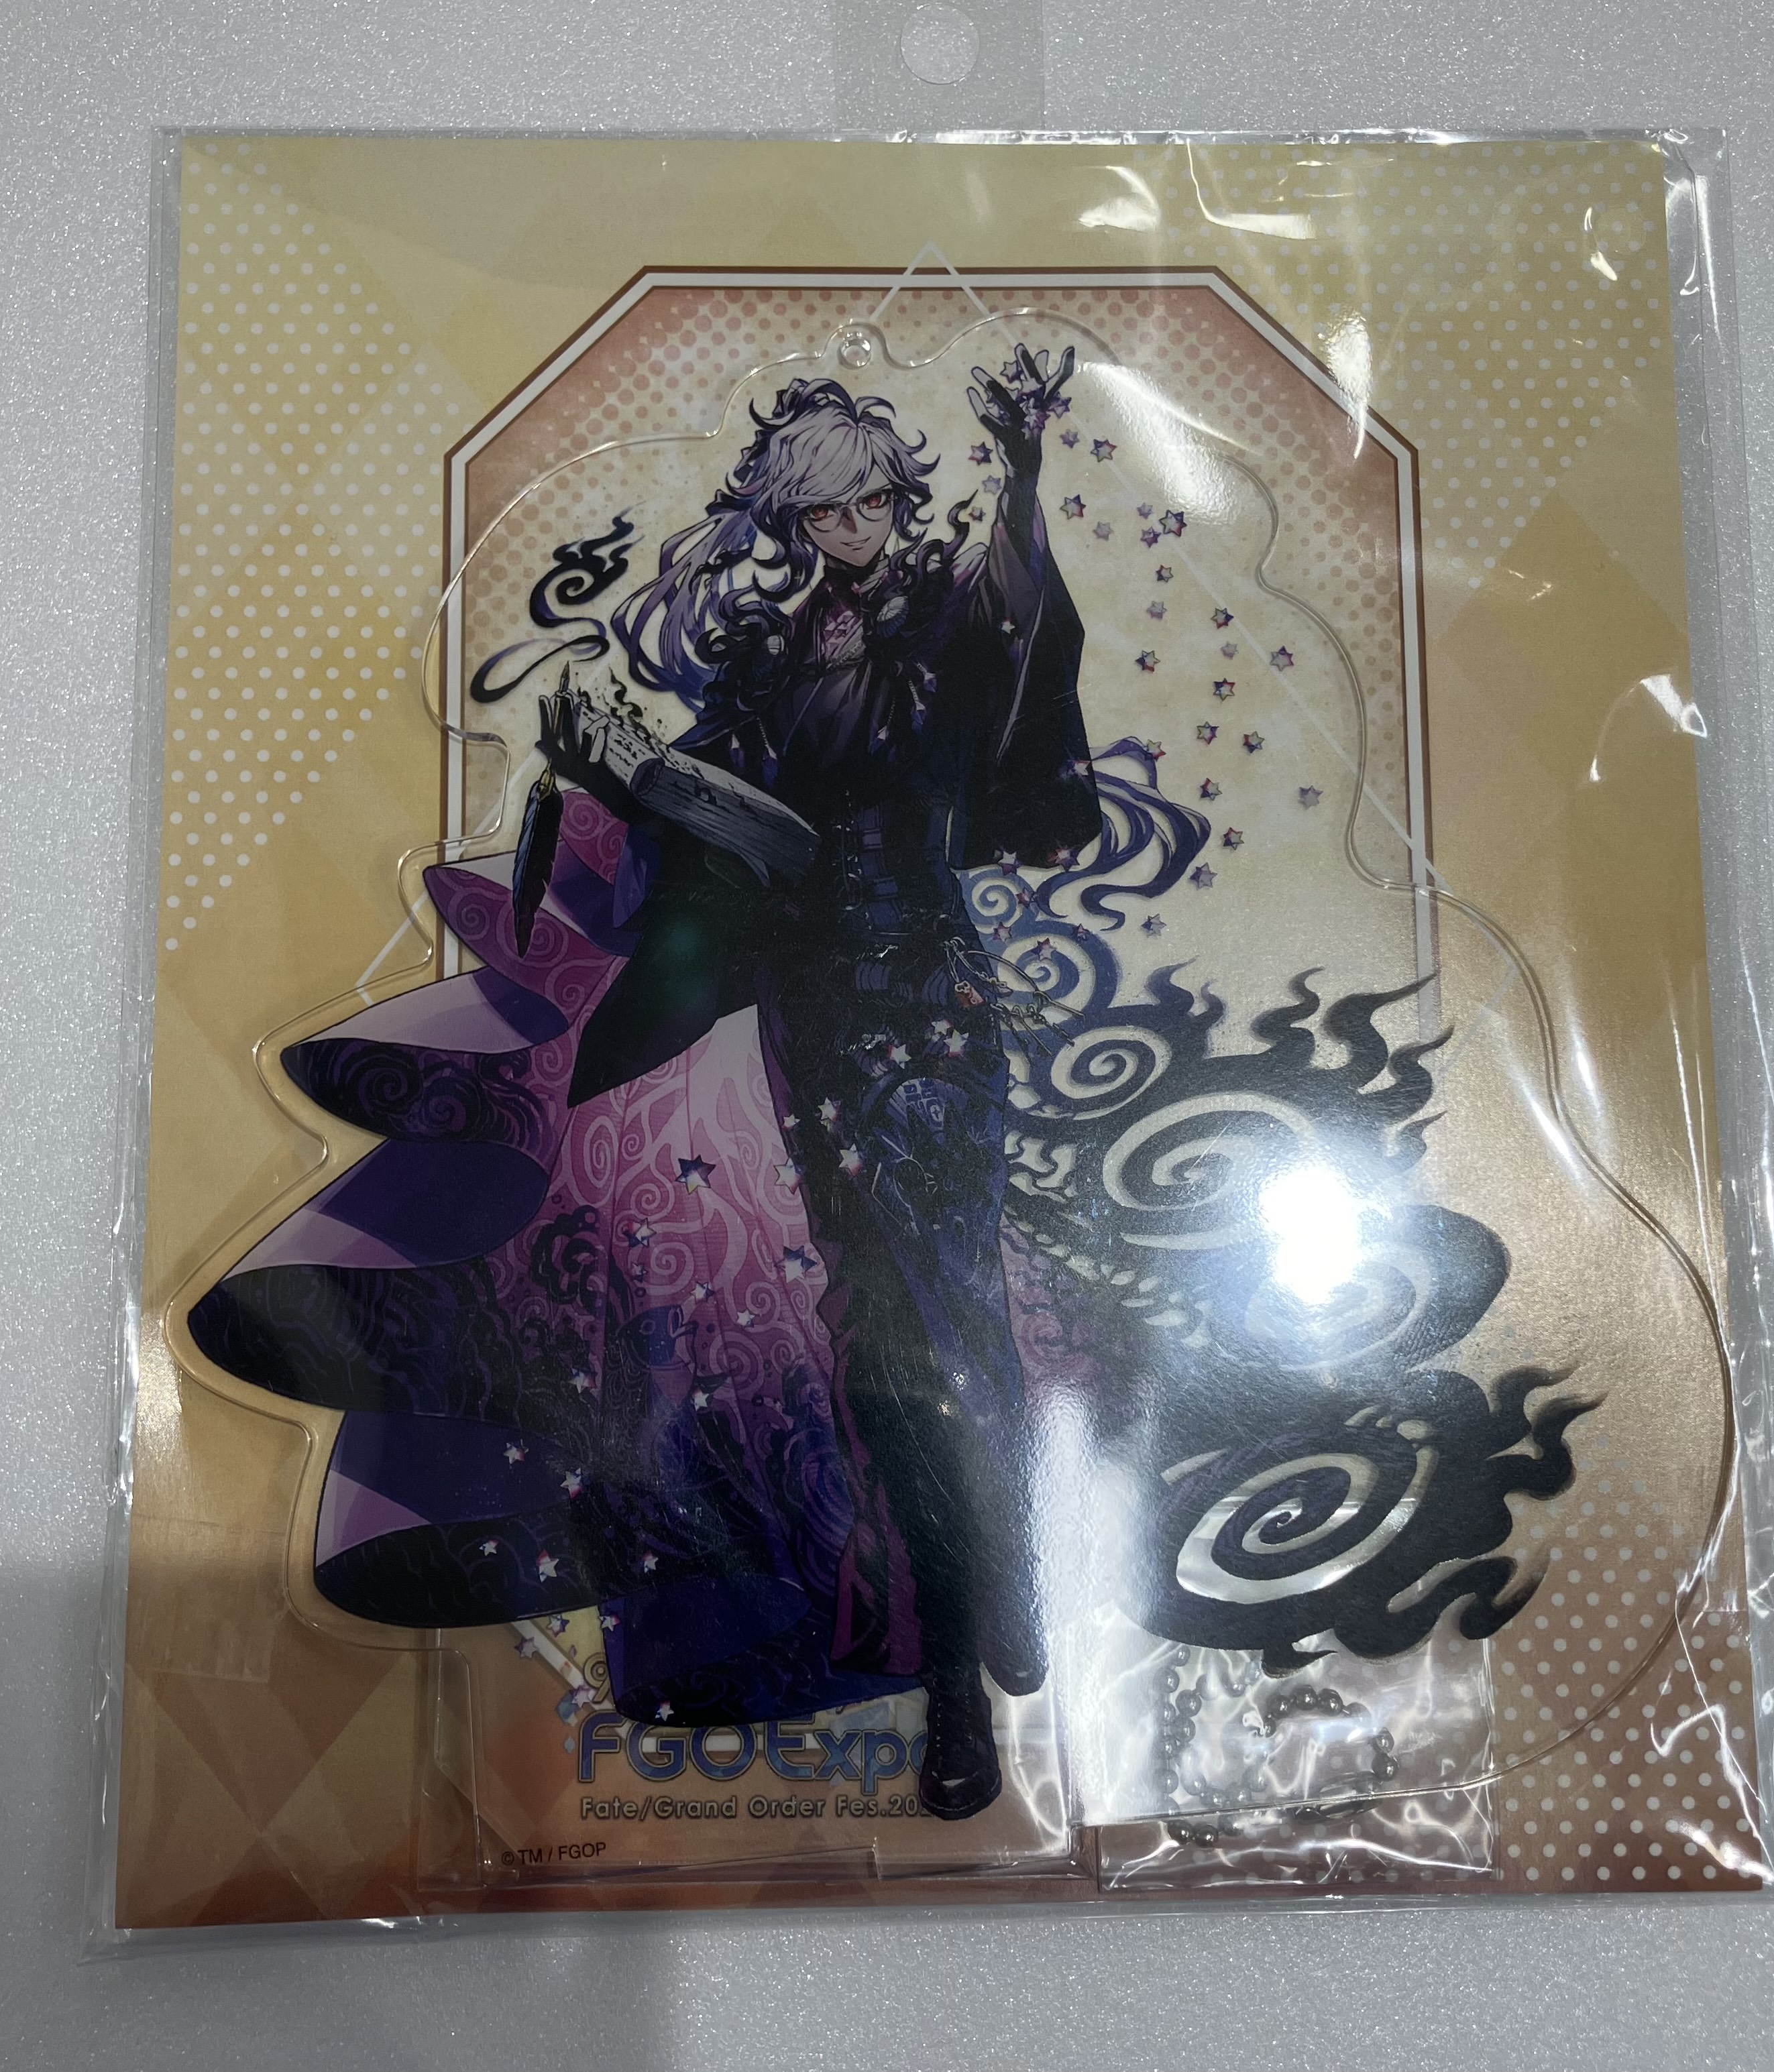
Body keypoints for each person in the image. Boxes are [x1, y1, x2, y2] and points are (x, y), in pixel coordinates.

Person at [190, 345, 1098, 1819]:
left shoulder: (944, 623)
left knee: (947, 1317)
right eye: (828, 508)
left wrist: (1029, 475)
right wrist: (622, 774)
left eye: (875, 498)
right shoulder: (769, 658)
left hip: (937, 1006)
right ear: (793, 518)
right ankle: (964, 1650)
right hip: (820, 1021)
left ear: (898, 494)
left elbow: (1029, 646)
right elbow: (730, 840)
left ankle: (991, 1621)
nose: (857, 525)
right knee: (882, 1333)